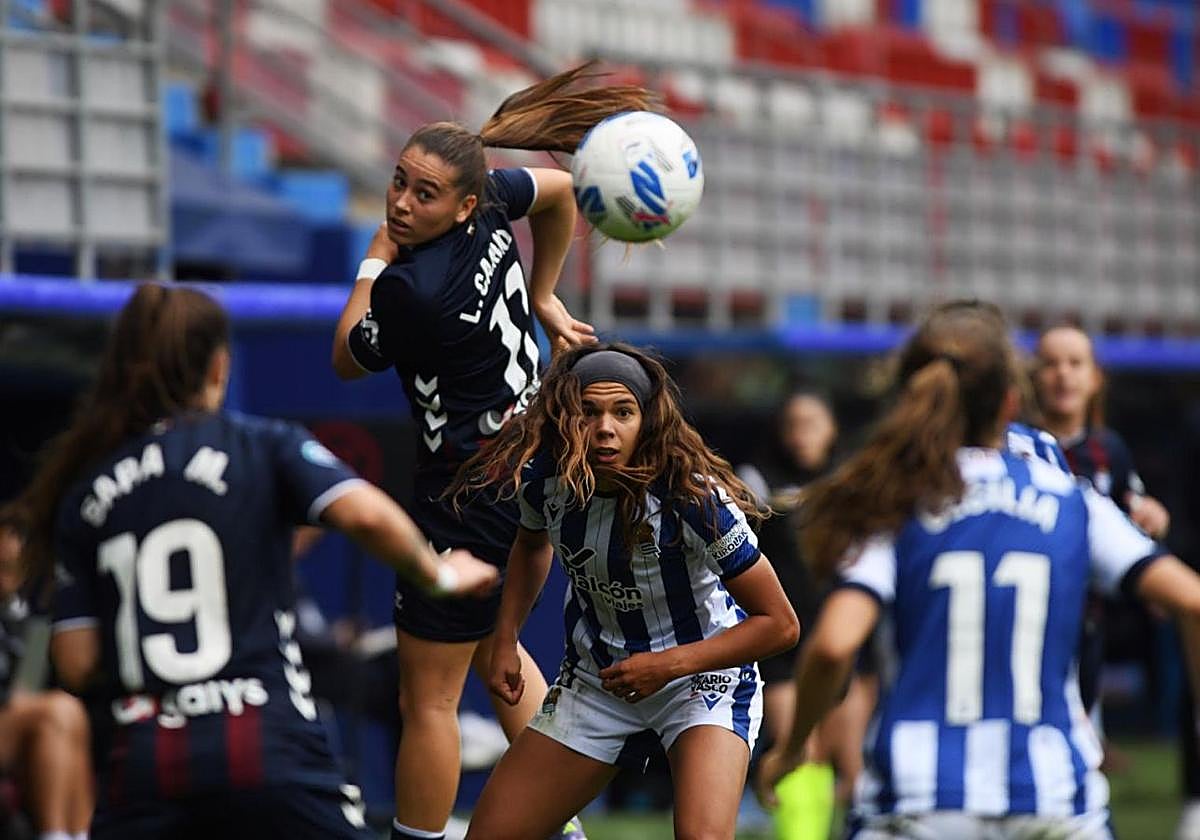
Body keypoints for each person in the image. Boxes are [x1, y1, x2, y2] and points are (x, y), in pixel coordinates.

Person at [13, 284, 499, 840]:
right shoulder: (261, 445)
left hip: (144, 764)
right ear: (219, 367)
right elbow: (365, 516)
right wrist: (439, 574)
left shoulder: (87, 491)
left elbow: (75, 662)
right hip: (265, 746)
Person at [330, 62, 654, 840]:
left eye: (423, 194)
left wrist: (373, 259)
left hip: (468, 490)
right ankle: (564, 827)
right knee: (493, 655)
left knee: (428, 701)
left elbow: (344, 355)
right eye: (398, 183)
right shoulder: (492, 206)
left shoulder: (412, 289)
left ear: (464, 203)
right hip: (529, 455)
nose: (403, 204)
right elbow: (563, 194)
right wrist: (544, 294)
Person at [755, 300, 1200, 838]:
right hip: (1054, 795)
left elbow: (832, 646)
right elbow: (1192, 601)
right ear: (1013, 399)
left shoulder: (896, 499)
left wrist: (796, 743)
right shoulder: (1072, 497)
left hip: (917, 799)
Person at [448, 343, 800, 840]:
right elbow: (531, 545)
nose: (605, 428)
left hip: (701, 681)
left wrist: (668, 665)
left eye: (623, 412)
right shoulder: (544, 479)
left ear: (648, 421)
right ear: (568, 419)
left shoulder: (693, 498)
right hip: (599, 682)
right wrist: (506, 636)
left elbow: (781, 625)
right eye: (589, 412)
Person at [737, 392, 866, 840]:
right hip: (783, 636)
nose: (801, 433)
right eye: (793, 422)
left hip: (842, 631)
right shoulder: (758, 478)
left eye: (812, 421)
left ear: (831, 428)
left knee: (849, 764)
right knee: (797, 748)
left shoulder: (853, 478)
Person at [0, 507, 93, 840]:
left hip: (17, 716)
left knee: (66, 713)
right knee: (56, 712)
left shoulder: (26, 615)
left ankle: (79, 833)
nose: (12, 550)